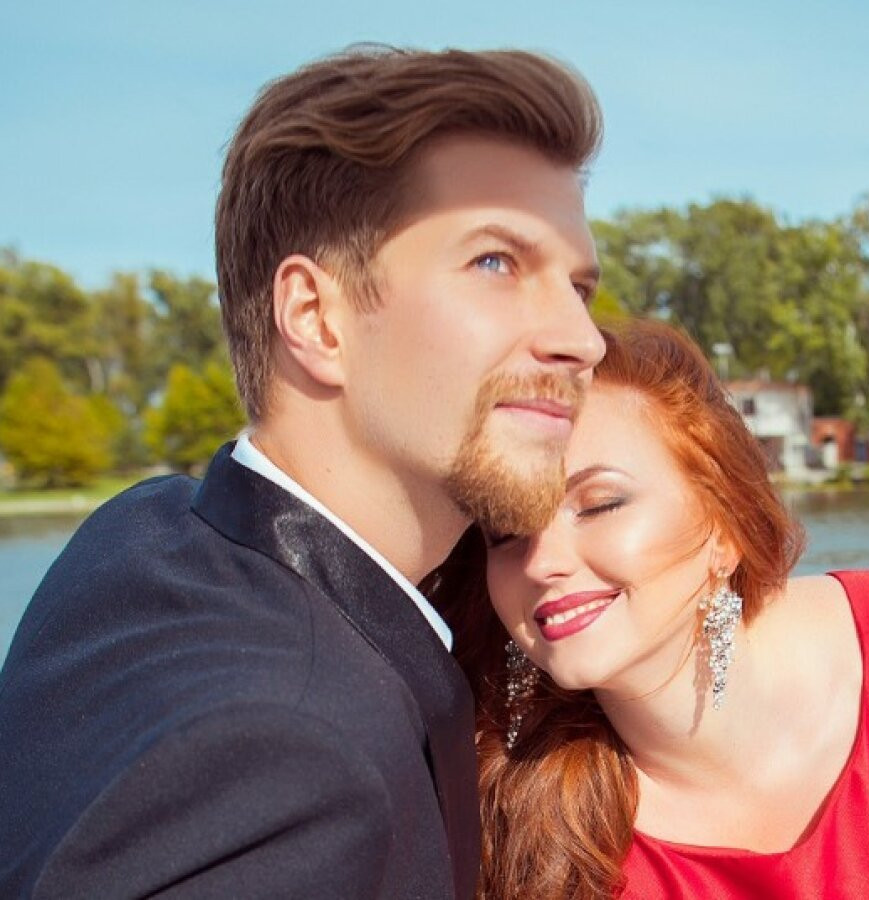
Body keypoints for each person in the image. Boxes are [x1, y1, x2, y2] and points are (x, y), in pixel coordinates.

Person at [0, 46, 606, 899]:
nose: (583, 340)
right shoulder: (295, 758)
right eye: (495, 263)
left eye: (580, 288)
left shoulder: (144, 534)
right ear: (316, 318)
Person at [429, 319, 869, 899]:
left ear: (724, 525)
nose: (541, 562)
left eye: (599, 504)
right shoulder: (494, 802)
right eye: (507, 530)